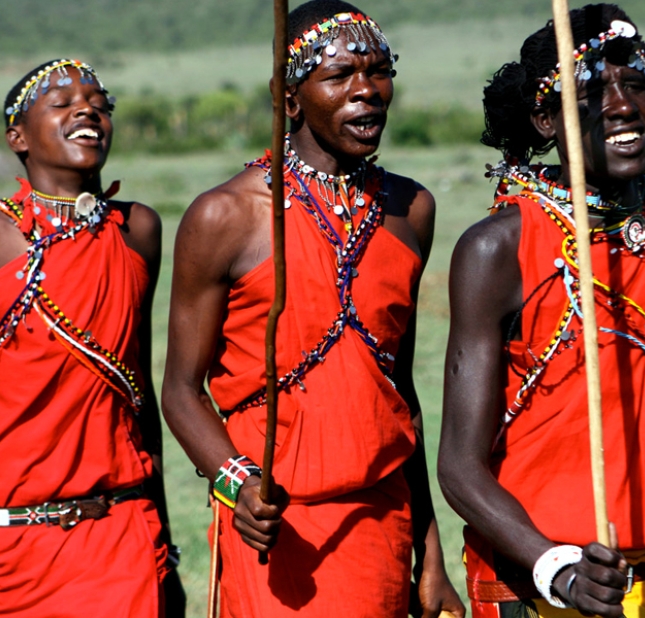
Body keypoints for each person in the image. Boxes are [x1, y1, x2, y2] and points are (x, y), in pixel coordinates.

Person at [162, 2, 466, 616]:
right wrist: (236, 482)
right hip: (276, 531)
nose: (367, 92)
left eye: (379, 72)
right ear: (290, 96)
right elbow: (180, 390)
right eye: (341, 76)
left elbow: (398, 390)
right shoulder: (226, 216)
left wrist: (430, 552)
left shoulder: (412, 210)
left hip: (382, 522)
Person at [0, 59, 177, 617]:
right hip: (10, 547)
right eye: (62, 103)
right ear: (17, 137)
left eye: (100, 104)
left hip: (121, 532)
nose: (87, 110)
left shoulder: (139, 231)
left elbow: (138, 397)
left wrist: (166, 554)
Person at [438, 4, 645, 618]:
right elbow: (459, 466)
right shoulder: (499, 248)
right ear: (544, 120)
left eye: (636, 84)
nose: (621, 106)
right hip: (540, 585)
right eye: (590, 92)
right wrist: (556, 570)